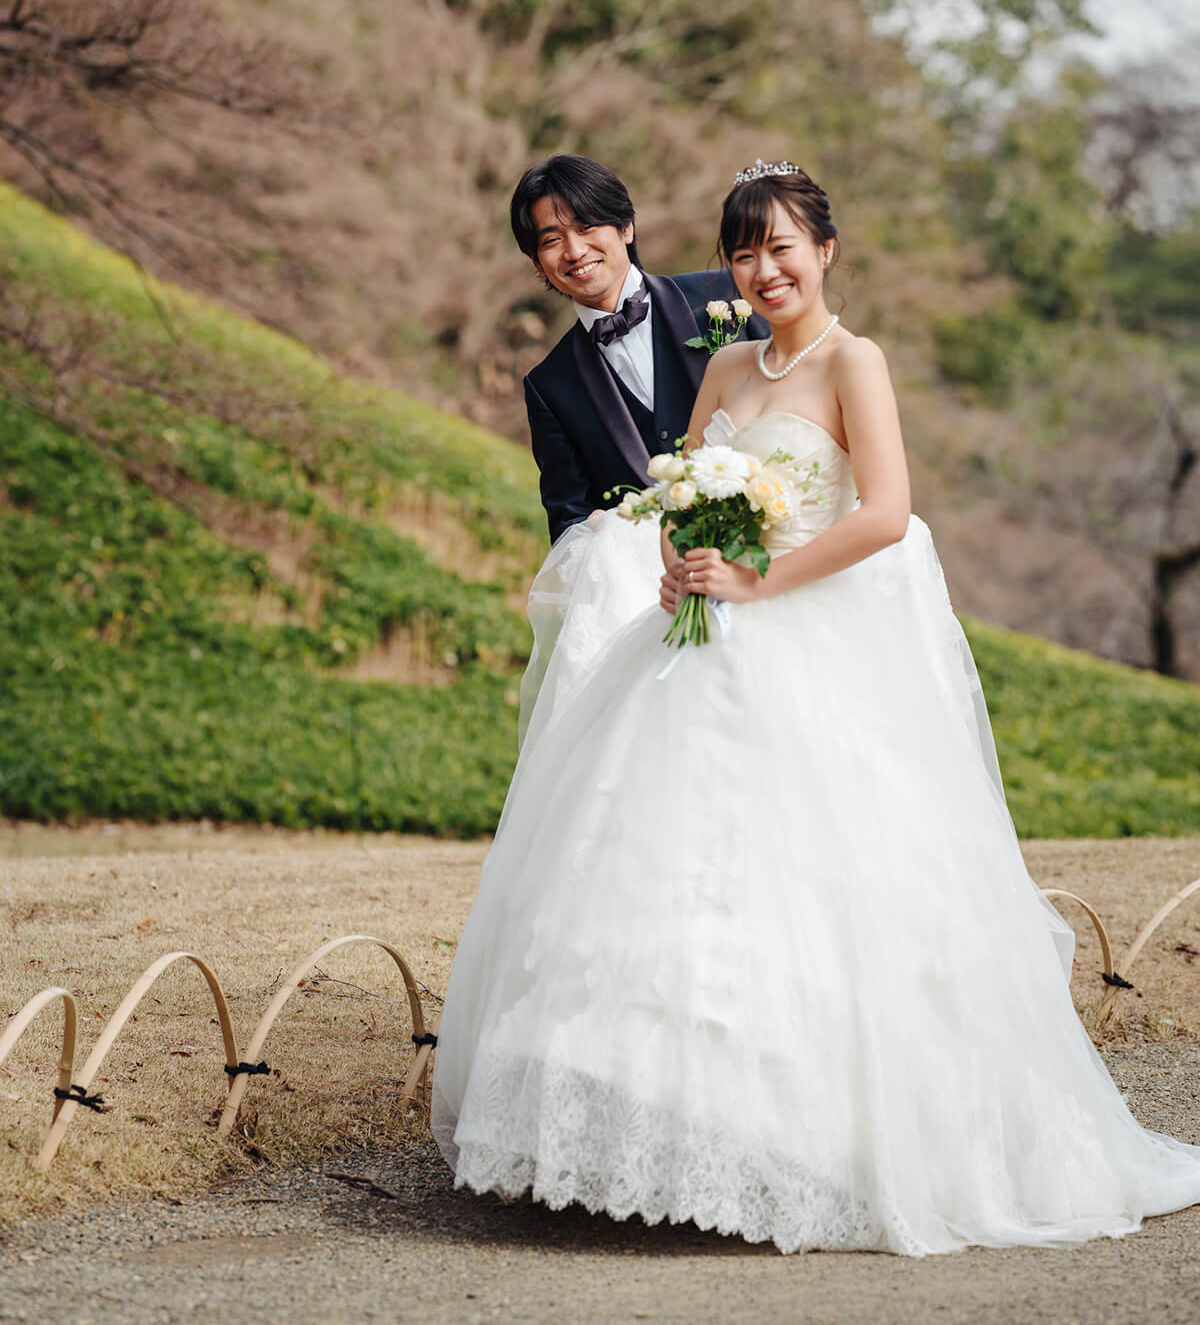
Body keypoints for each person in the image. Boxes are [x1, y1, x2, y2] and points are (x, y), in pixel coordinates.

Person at [432, 159, 1200, 1256]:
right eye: (747, 250)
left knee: (828, 882)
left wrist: (759, 580)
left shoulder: (856, 360)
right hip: (699, 641)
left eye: (782, 246)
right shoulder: (726, 364)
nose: (763, 267)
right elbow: (678, 483)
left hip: (813, 633)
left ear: (824, 249)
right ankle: (638, 1125)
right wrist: (677, 559)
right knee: (642, 861)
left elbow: (885, 513)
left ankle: (821, 1141)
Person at [511, 153, 765, 743]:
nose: (573, 250)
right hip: (646, 589)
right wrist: (595, 527)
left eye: (587, 226)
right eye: (551, 239)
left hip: (759, 548)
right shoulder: (548, 386)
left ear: (625, 227)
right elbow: (567, 516)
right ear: (537, 262)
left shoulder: (725, 299)